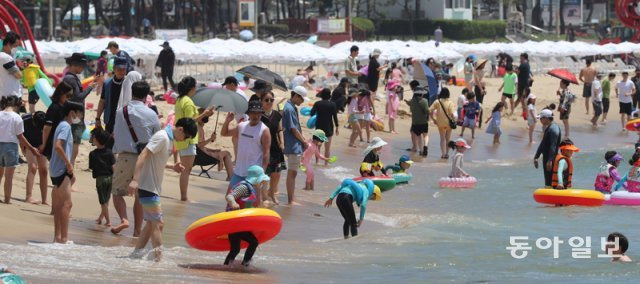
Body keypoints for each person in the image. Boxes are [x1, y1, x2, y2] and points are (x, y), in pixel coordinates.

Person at [128, 117, 198, 262]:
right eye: (186, 136)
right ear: (180, 129)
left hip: (152, 187)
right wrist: (135, 180)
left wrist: (172, 166)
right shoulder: (162, 137)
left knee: (151, 224)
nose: (184, 139)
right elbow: (143, 155)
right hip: (147, 187)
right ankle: (158, 260)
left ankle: (135, 255)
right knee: (159, 223)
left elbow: (155, 160)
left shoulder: (169, 139)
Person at [110, 81, 162, 236]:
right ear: (147, 95)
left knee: (117, 193)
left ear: (131, 92)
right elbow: (157, 136)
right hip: (145, 157)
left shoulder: (121, 111)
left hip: (125, 156)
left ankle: (124, 220)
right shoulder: (151, 113)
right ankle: (137, 231)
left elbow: (116, 134)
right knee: (139, 196)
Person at [221, 100, 271, 206]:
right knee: (229, 198)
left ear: (261, 113)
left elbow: (266, 153)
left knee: (252, 203)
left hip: (253, 175)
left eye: (258, 113)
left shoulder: (264, 130)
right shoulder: (241, 126)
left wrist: (262, 173)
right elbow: (224, 133)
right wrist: (227, 121)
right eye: (253, 112)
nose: (256, 115)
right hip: (239, 171)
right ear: (248, 113)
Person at [173, 76, 214, 202]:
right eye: (195, 86)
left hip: (181, 138)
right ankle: (184, 197)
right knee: (186, 169)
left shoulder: (180, 100)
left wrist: (204, 113)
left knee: (186, 169)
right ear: (191, 88)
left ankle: (184, 196)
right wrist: (205, 113)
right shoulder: (188, 102)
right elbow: (190, 121)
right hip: (188, 139)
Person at [50, 101, 83, 243]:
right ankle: (64, 239)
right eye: (80, 114)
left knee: (58, 204)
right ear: (72, 113)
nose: (80, 117)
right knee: (67, 204)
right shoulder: (65, 127)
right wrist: (68, 163)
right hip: (61, 169)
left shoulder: (61, 125)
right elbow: (58, 146)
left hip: (55, 169)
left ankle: (57, 237)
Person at [224, 165, 270, 266]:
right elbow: (230, 196)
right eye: (261, 180)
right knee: (254, 242)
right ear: (256, 179)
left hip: (240, 223)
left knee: (235, 250)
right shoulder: (244, 187)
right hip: (235, 222)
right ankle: (245, 266)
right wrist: (233, 203)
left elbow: (255, 205)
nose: (262, 182)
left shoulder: (252, 188)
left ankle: (226, 267)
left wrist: (261, 198)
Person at [0, 97, 39, 204]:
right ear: (16, 106)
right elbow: (21, 137)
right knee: (9, 176)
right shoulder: (17, 117)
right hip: (11, 147)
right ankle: (7, 200)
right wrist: (31, 148)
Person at [62, 53, 96, 175]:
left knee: (72, 144)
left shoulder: (70, 77)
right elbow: (78, 98)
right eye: (82, 66)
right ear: (75, 65)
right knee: (74, 144)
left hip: (73, 115)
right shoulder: (71, 79)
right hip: (74, 116)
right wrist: (90, 87)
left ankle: (69, 170)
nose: (83, 69)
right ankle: (69, 171)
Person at [282, 86, 307, 204]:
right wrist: (304, 142)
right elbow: (293, 129)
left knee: (293, 173)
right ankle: (290, 200)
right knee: (292, 173)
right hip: (293, 144)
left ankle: (291, 197)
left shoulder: (290, 107)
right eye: (302, 99)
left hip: (293, 144)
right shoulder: (289, 109)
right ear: (296, 96)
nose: (302, 102)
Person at [260, 91, 285, 204]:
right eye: (266, 100)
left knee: (277, 172)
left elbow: (280, 130)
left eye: (271, 100)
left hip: (275, 147)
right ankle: (264, 195)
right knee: (265, 172)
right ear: (261, 101)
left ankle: (272, 192)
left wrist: (282, 142)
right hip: (262, 147)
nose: (269, 102)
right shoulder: (258, 115)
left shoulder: (277, 114)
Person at [88, 128, 115, 226]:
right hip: (110, 177)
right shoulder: (110, 152)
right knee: (106, 199)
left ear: (96, 140)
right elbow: (113, 167)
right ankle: (100, 218)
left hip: (100, 179)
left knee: (102, 201)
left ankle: (108, 221)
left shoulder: (93, 154)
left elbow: (91, 166)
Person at [196, 110, 233, 181]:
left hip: (201, 155)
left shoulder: (199, 128)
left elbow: (200, 147)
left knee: (223, 152)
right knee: (226, 154)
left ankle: (229, 173)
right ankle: (230, 177)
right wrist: (210, 139)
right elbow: (199, 146)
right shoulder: (199, 129)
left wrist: (212, 150)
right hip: (202, 157)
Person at [41, 82, 72, 161]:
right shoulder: (54, 108)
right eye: (68, 96)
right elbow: (47, 128)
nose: (69, 99)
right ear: (61, 93)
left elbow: (67, 124)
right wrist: (44, 144)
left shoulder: (62, 106)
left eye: (71, 96)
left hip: (60, 142)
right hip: (53, 143)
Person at [96, 57, 128, 134]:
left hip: (125, 121)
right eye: (119, 69)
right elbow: (102, 101)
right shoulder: (107, 84)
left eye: (123, 69)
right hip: (110, 120)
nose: (121, 72)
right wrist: (97, 118)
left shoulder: (128, 83)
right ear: (113, 69)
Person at [22, 111, 48, 204]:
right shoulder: (25, 119)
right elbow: (20, 135)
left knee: (44, 170)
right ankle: (28, 196)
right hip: (29, 145)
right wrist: (24, 148)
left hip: (42, 145)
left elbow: (49, 134)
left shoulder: (47, 120)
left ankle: (44, 200)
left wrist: (43, 145)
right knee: (33, 167)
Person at [534, 109, 562, 187]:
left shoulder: (553, 129)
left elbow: (553, 145)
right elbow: (543, 143)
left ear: (546, 118)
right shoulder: (549, 128)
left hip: (551, 160)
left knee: (550, 181)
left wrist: (550, 160)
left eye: (541, 118)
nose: (540, 120)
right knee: (547, 180)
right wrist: (536, 156)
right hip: (547, 159)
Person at [311, 88, 339, 165]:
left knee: (317, 147)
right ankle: (326, 164)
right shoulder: (333, 104)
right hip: (329, 128)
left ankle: (317, 162)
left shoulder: (317, 103)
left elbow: (312, 113)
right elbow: (335, 117)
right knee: (327, 148)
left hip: (319, 127)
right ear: (329, 96)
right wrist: (337, 127)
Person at [429, 88, 456, 159]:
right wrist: (454, 121)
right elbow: (452, 114)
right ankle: (447, 153)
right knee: (448, 139)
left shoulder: (437, 101)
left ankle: (443, 154)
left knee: (442, 139)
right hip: (448, 123)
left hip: (440, 123)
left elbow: (430, 110)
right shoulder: (450, 102)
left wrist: (433, 119)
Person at [407, 87, 429, 156]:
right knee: (425, 135)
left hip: (415, 122)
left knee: (419, 136)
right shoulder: (424, 101)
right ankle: (425, 145)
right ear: (422, 94)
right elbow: (426, 111)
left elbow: (411, 110)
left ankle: (421, 151)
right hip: (423, 121)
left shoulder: (412, 101)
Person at [0, 31, 23, 99]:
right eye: (15, 46)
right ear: (8, 44)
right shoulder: (5, 58)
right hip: (10, 96)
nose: (16, 48)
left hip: (7, 94)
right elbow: (19, 75)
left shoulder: (5, 57)